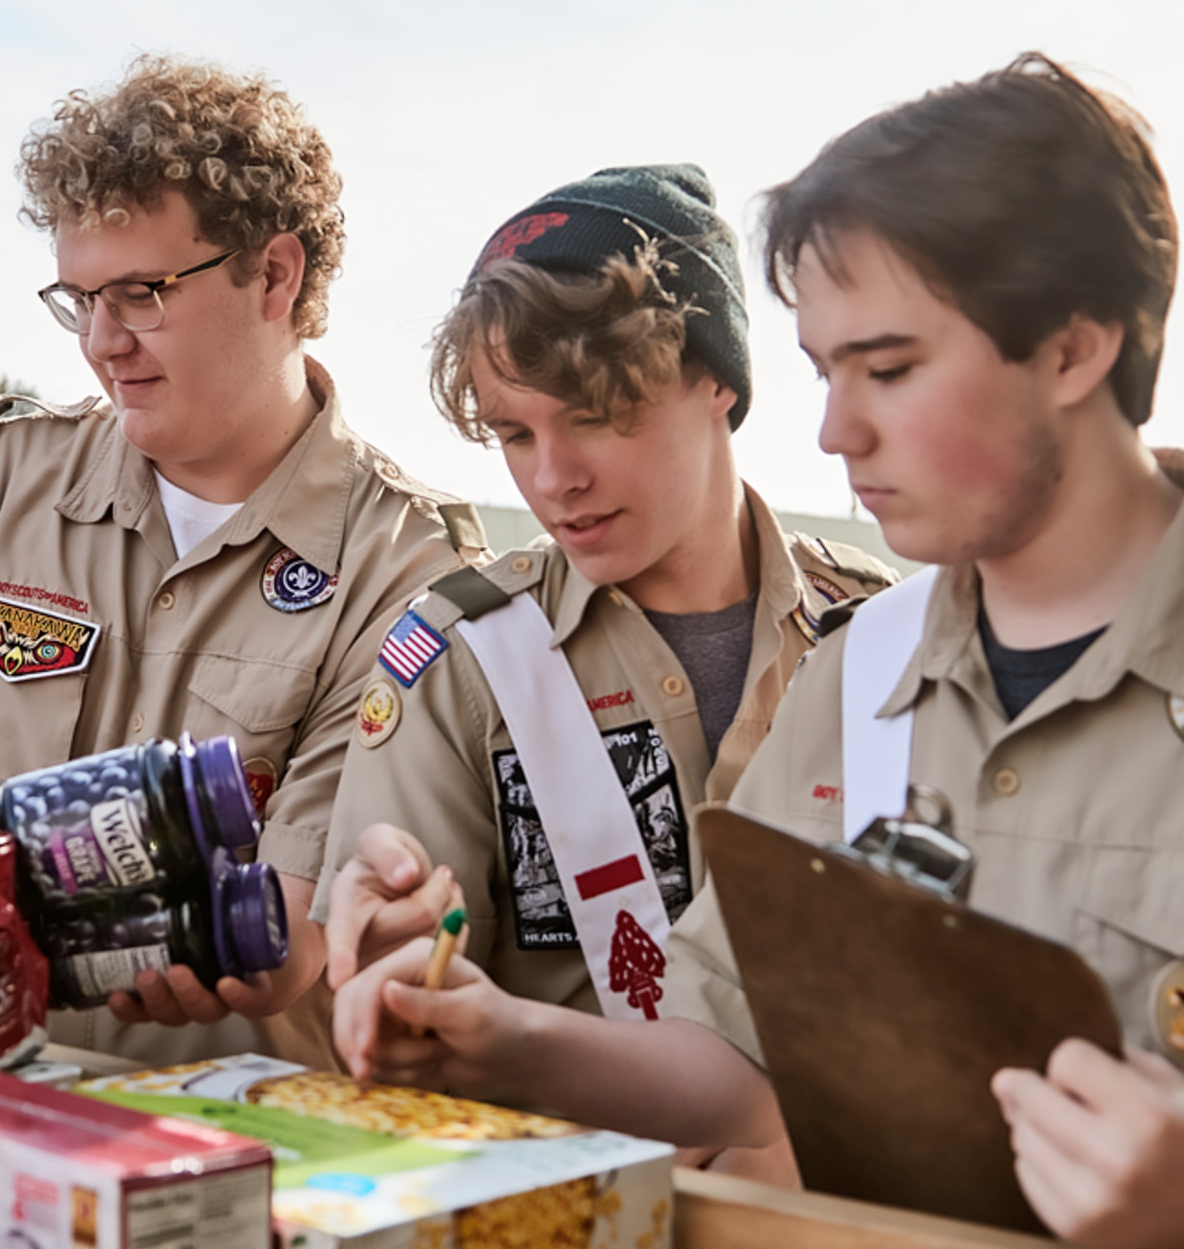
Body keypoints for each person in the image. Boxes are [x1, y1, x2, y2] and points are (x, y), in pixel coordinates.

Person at [336, 55, 1184, 1249]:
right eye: (824, 372)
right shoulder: (860, 669)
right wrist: (501, 1041)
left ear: (1074, 347)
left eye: (888, 369)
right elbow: (728, 1052)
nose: (834, 433)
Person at [0, 54, 480, 1068]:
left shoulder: (404, 561)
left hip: (238, 1142)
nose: (102, 341)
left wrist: (233, 944)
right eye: (77, 298)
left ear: (275, 274)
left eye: (140, 293)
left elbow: (294, 931)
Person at [318, 166, 892, 1057]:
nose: (553, 478)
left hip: (829, 1191)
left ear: (721, 385)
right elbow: (395, 1001)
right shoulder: (459, 659)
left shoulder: (882, 635)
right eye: (514, 432)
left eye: (594, 415)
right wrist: (387, 959)